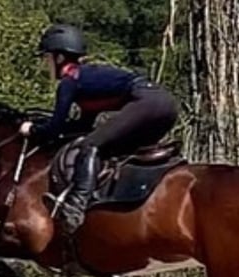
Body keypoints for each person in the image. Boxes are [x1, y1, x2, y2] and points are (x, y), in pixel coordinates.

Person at [19, 23, 179, 233]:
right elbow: (83, 125)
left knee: (90, 145)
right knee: (115, 149)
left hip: (146, 103)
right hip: (166, 105)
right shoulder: (85, 77)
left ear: (59, 58)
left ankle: (77, 205)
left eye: (47, 58)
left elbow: (55, 128)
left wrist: (31, 129)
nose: (45, 65)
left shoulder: (69, 81)